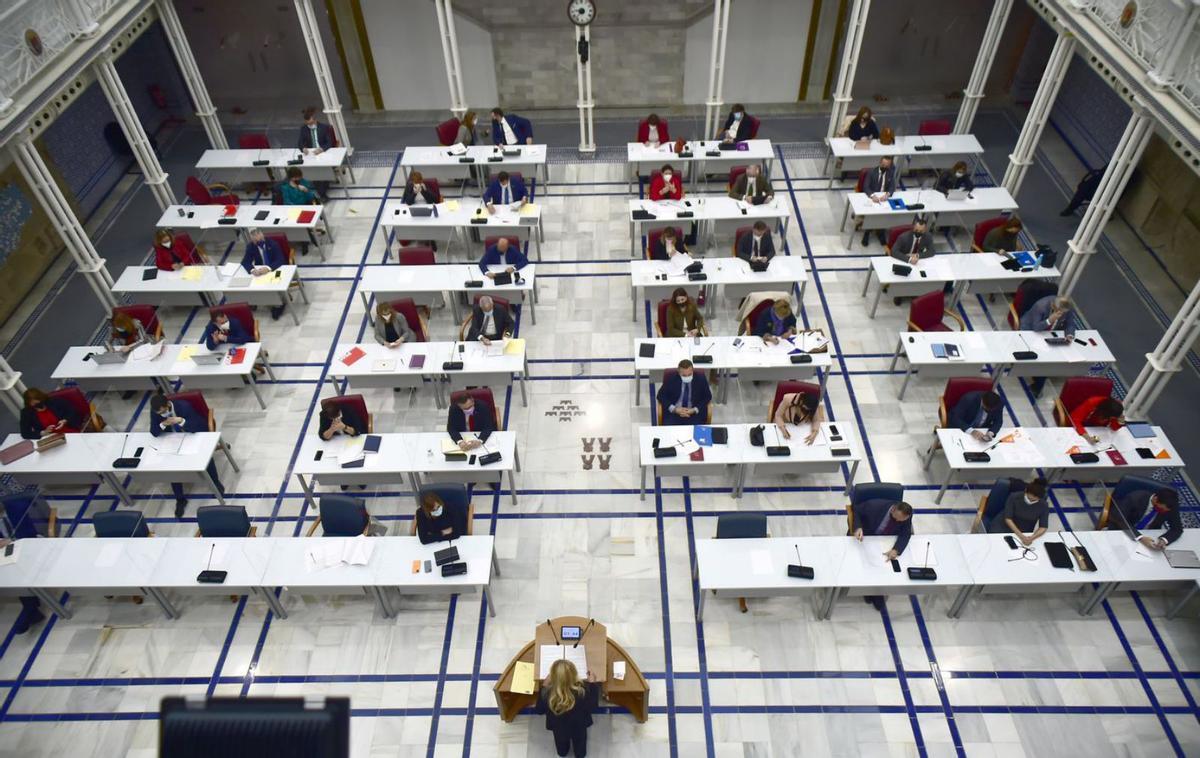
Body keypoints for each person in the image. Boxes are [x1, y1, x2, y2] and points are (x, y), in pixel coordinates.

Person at [149, 393, 225, 518]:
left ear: (168, 405)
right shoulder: (156, 412)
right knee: (170, 468)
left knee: (205, 456)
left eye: (163, 412)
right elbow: (154, 432)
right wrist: (163, 424)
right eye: (159, 413)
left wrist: (181, 421)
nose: (162, 415)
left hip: (191, 435)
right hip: (173, 441)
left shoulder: (184, 407)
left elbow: (200, 426)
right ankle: (180, 499)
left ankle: (216, 483)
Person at [852, 499, 914, 610]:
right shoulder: (873, 505)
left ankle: (876, 592)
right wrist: (858, 527)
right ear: (893, 510)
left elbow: (906, 533)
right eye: (896, 519)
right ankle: (870, 591)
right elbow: (855, 509)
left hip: (887, 541)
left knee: (886, 567)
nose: (898, 522)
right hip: (868, 537)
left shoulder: (906, 515)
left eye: (902, 520)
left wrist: (896, 549)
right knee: (867, 565)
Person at [536, 658, 600, 758]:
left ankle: (562, 752)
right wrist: (593, 684)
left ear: (553, 676)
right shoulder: (582, 691)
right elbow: (593, 706)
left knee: (561, 742)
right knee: (580, 742)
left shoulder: (547, 694)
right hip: (579, 726)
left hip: (559, 727)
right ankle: (580, 754)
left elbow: (539, 710)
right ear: (574, 675)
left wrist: (544, 686)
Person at [1020, 295, 1076, 397]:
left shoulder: (1067, 308)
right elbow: (1036, 327)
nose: (1062, 315)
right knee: (1045, 358)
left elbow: (1071, 324)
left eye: (1063, 313)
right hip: (1030, 330)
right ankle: (1038, 385)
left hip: (1050, 333)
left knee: (1050, 356)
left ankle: (1040, 378)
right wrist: (1050, 320)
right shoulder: (1040, 306)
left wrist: (1070, 335)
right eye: (1060, 312)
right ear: (1053, 306)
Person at [1107, 488, 1183, 550]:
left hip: (1149, 537)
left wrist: (1164, 540)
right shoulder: (1135, 498)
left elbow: (1177, 529)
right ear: (1155, 499)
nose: (1163, 511)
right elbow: (1118, 517)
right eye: (1161, 509)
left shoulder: (1170, 507)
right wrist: (1140, 537)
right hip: (1124, 531)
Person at [988, 477, 1049, 545]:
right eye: (1029, 498)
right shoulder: (1014, 497)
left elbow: (1043, 527)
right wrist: (1021, 536)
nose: (1030, 501)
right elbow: (1008, 519)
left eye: (1034, 500)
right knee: (995, 542)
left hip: (1024, 529)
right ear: (1026, 491)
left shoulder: (1044, 505)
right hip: (1004, 525)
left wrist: (1032, 538)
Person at [656, 359, 711, 426]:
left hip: (694, 413)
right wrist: (674, 409)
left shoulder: (700, 379)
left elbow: (708, 396)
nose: (687, 377)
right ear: (679, 372)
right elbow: (660, 395)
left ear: (692, 370)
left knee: (696, 433)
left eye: (690, 374)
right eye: (684, 375)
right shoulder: (671, 378)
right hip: (674, 413)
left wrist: (694, 409)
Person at [860, 156, 897, 245]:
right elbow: (866, 187)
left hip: (883, 199)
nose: (885, 167)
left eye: (887, 166)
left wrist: (887, 194)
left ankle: (881, 231)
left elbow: (892, 187)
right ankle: (867, 232)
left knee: (886, 213)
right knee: (873, 213)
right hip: (872, 197)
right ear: (880, 163)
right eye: (883, 164)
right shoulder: (871, 172)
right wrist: (872, 196)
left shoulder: (890, 173)